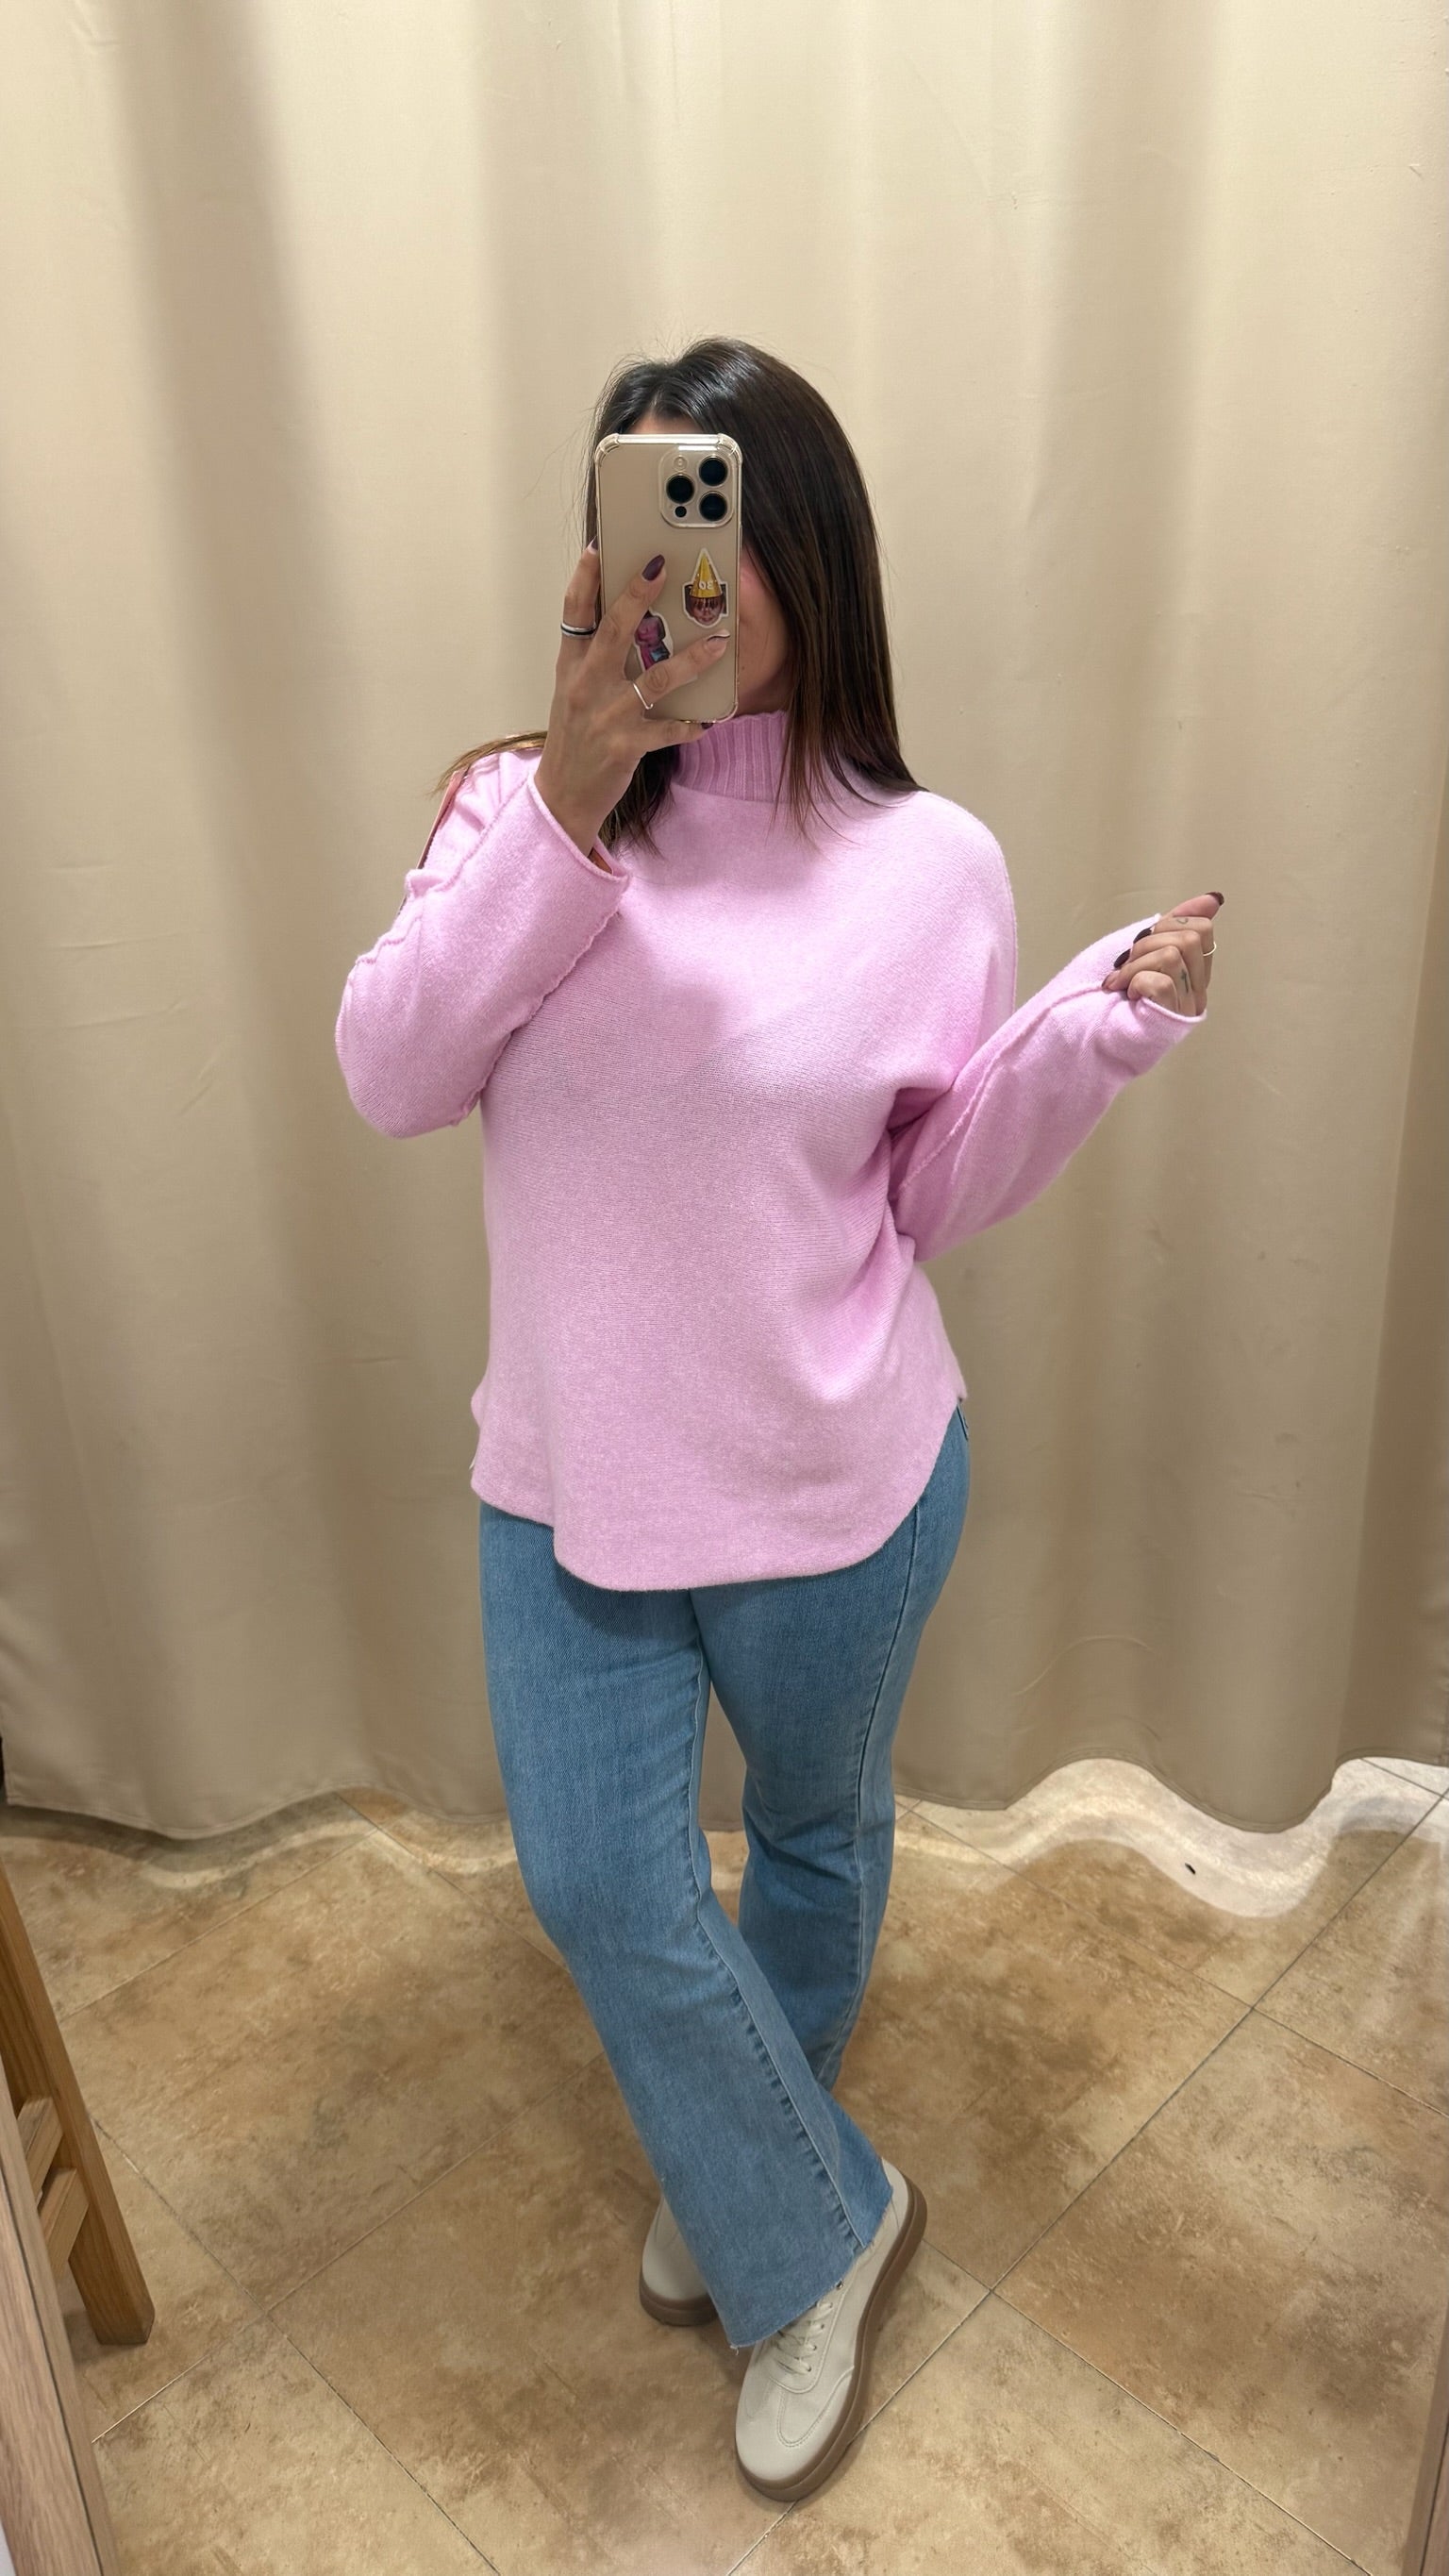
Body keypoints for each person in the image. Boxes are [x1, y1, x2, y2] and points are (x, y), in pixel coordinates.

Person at [334, 336, 1220, 2505]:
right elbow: (391, 1071)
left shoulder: (933, 865)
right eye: (653, 527)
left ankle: (752, 2171)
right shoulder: (514, 817)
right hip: (566, 1482)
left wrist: (1086, 1038)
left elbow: (927, 1191)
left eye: (725, 531)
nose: (690, 582)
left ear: (810, 553)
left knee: (817, 1838)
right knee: (599, 1883)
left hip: (839, 1478)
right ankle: (820, 2212)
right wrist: (570, 787)